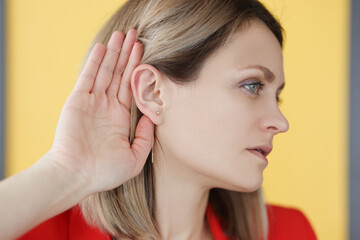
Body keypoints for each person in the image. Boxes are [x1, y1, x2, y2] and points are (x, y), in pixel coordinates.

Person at [0, 0, 318, 239]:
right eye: (252, 86)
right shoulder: (37, 228)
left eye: (276, 95)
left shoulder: (289, 231)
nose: (280, 121)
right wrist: (65, 171)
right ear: (153, 92)